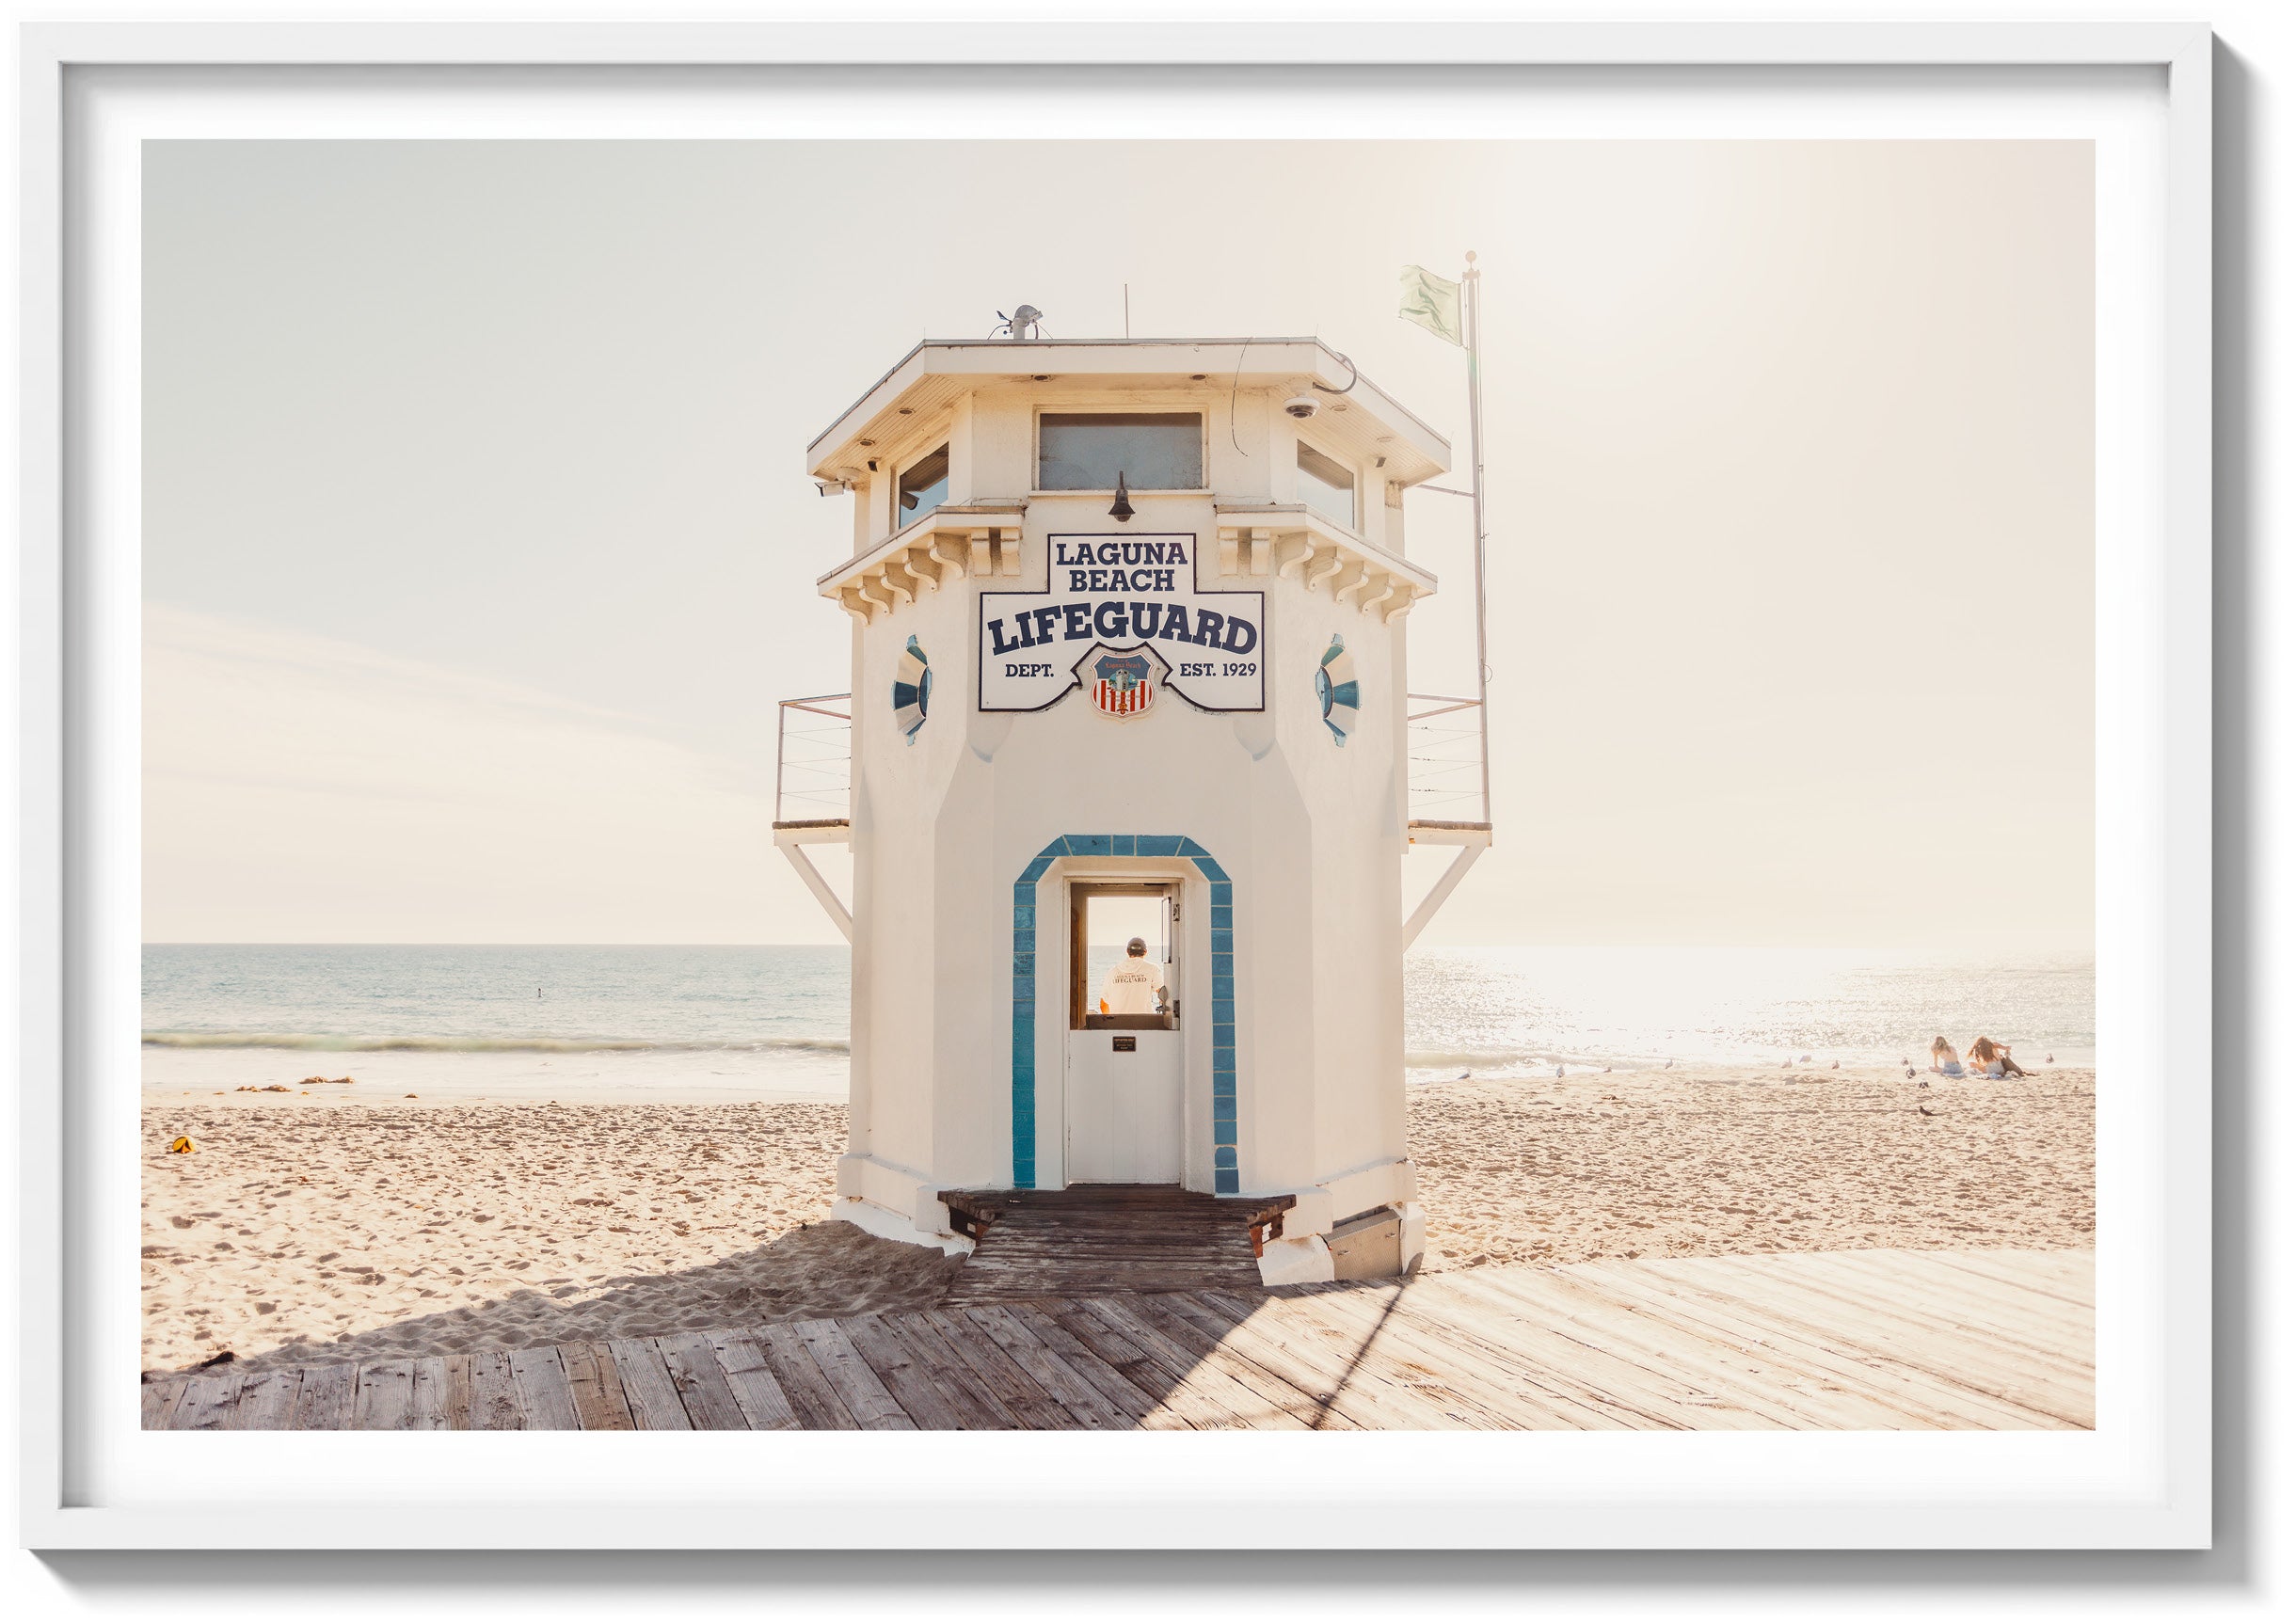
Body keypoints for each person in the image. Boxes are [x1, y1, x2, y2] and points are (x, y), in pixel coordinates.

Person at [1098, 936, 1167, 1017]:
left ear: (1127, 951)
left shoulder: (1113, 972)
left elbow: (1103, 1004)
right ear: (1145, 952)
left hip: (1118, 1024)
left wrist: (1110, 1024)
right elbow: (1163, 995)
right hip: (1145, 1023)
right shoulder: (1152, 969)